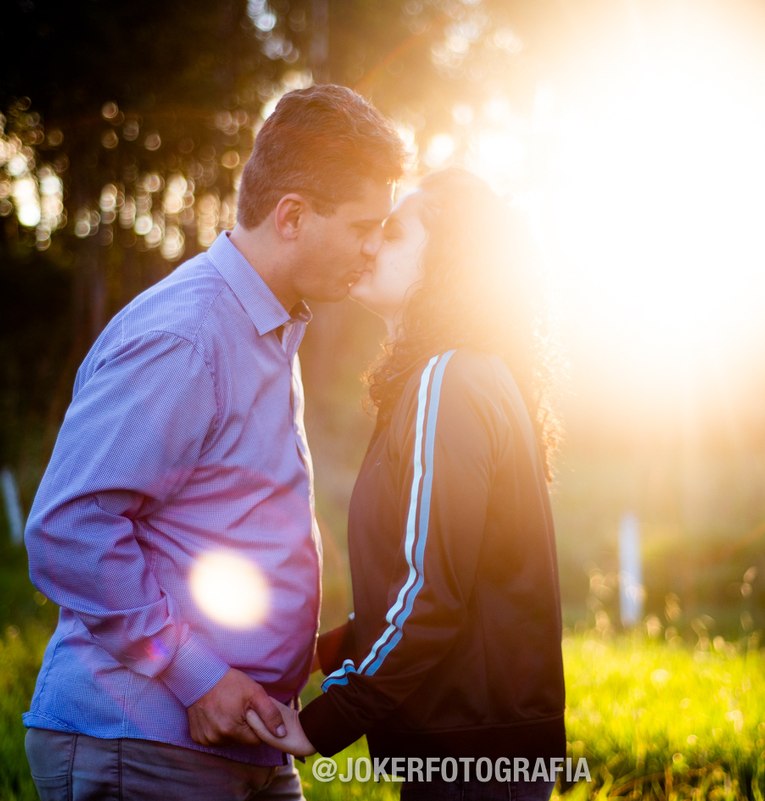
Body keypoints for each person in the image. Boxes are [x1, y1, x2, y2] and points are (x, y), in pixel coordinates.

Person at [21, 84, 406, 801]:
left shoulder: (269, 324)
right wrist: (197, 674)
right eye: (364, 224)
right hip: (143, 742)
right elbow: (69, 527)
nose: (374, 246)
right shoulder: (186, 336)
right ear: (291, 215)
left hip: (242, 738)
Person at [247, 168, 567, 801]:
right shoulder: (465, 375)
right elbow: (456, 582)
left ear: (448, 260)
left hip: (466, 754)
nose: (368, 246)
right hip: (485, 746)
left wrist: (323, 721)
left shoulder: (447, 381)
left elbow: (430, 594)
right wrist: (316, 650)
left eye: (391, 233)